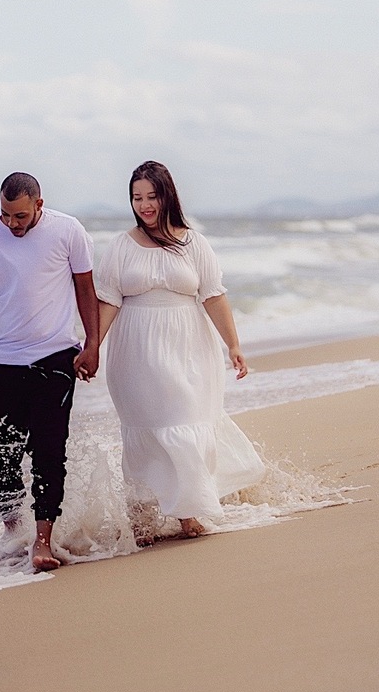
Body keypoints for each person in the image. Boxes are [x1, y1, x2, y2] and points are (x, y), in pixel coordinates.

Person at [95, 160, 265, 540]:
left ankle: (189, 512)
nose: (144, 205)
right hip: (135, 353)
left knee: (186, 420)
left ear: (167, 195)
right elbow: (107, 301)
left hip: (189, 349)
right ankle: (142, 517)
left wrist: (233, 345)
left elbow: (213, 295)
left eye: (151, 196)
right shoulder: (121, 246)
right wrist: (92, 348)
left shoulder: (194, 243)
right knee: (145, 428)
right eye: (137, 198)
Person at [0, 172, 100, 571]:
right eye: (5, 214)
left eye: (19, 215)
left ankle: (43, 540)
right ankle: (14, 532)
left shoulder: (68, 231)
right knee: (2, 453)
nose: (12, 223)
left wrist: (93, 344)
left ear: (38, 205)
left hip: (56, 358)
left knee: (50, 452)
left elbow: (86, 288)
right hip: (4, 361)